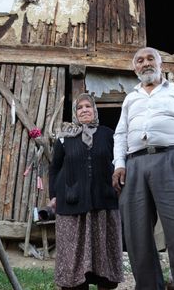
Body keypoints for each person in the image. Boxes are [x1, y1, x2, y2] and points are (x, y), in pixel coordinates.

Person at [112, 47, 174, 290]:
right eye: (140, 61)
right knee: (137, 236)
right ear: (135, 68)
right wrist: (119, 164)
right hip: (134, 165)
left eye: (150, 59)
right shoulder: (130, 98)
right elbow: (120, 134)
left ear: (160, 64)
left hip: (173, 160)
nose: (145, 63)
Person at [48, 93, 124, 290]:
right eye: (80, 107)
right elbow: (54, 168)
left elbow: (119, 162)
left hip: (103, 202)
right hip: (71, 202)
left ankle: (104, 282)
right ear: (75, 113)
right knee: (73, 250)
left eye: (88, 106)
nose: (84, 110)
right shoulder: (65, 138)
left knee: (103, 250)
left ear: (94, 110)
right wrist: (53, 195)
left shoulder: (108, 135)